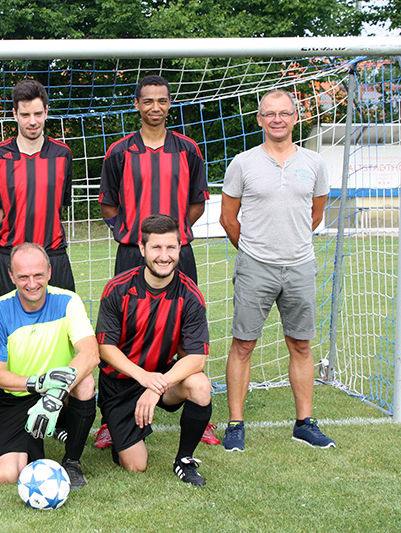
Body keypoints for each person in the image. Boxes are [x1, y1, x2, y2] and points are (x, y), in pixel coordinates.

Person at [219, 89, 334, 451]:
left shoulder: (314, 163)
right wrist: (256, 252)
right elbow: (228, 218)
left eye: (284, 113)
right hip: (255, 266)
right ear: (259, 119)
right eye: (270, 114)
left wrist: (289, 245)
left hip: (300, 266)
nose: (277, 119)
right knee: (243, 345)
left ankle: (305, 422)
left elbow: (314, 215)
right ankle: (235, 424)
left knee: (301, 344)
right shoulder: (243, 163)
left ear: (295, 118)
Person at [95, 214, 212, 486]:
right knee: (136, 466)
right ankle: (117, 428)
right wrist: (143, 377)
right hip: (121, 383)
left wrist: (155, 385)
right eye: (156, 247)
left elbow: (197, 357)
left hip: (160, 378)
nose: (164, 255)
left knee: (200, 385)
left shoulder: (189, 295)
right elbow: (105, 347)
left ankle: (184, 460)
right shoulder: (118, 289)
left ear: (179, 249)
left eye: (171, 247)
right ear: (142, 249)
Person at [0, 242, 99, 489]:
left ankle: (72, 460)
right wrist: (38, 384)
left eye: (38, 275)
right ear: (11, 276)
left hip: (60, 392)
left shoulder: (68, 301)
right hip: (17, 395)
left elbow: (91, 354)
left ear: (49, 271)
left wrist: (55, 392)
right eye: (23, 276)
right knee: (6, 475)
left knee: (86, 382)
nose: (32, 283)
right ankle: (38, 436)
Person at [98, 75, 209, 280]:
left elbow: (197, 203)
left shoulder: (189, 150)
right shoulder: (118, 152)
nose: (155, 107)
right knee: (131, 312)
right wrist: (128, 230)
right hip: (132, 253)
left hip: (177, 253)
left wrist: (173, 232)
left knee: (181, 311)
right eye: (148, 101)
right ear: (137, 104)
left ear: (169, 104)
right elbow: (107, 205)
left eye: (162, 101)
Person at [0, 79, 75, 300]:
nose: (32, 121)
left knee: (61, 329)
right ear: (15, 114)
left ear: (46, 111)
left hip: (53, 256)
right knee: (7, 331)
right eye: (25, 115)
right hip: (10, 258)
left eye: (37, 114)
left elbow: (59, 206)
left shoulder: (62, 154)